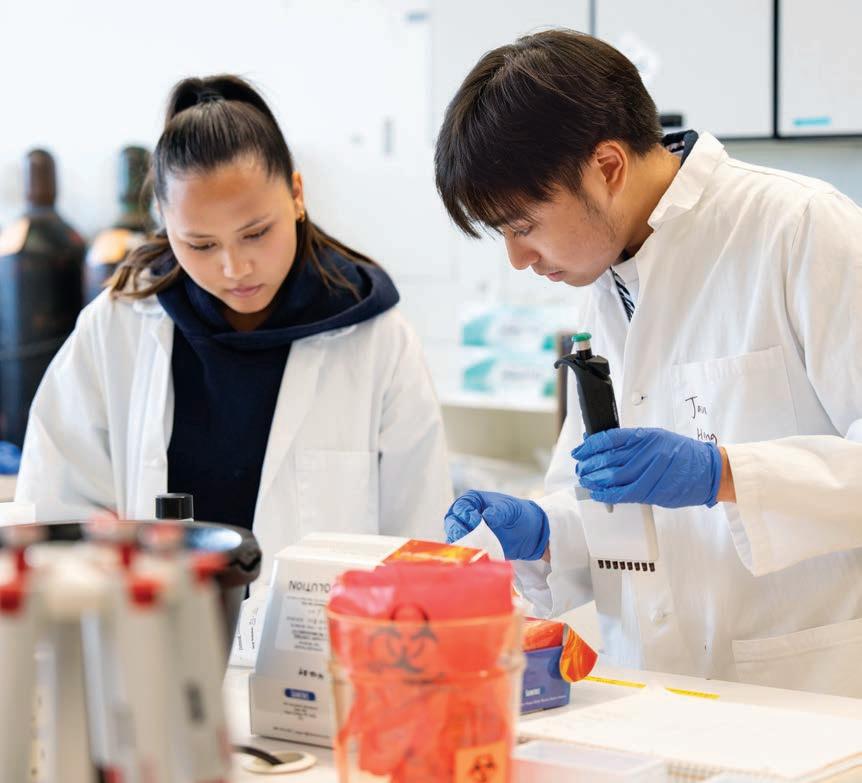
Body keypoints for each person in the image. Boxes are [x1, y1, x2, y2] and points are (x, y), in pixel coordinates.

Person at [435, 30, 862, 697]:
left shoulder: (802, 228)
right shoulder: (606, 275)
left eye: (523, 225)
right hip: (646, 693)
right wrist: (544, 530)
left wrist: (724, 474)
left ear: (607, 167)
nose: (517, 258)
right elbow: (607, 506)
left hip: (803, 693)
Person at [16, 75, 452, 583]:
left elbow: (420, 540)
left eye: (256, 233)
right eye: (201, 245)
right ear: (164, 221)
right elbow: (55, 516)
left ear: (296, 194)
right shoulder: (116, 328)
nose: (235, 268)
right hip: (151, 626)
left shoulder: (377, 339)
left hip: (330, 634)